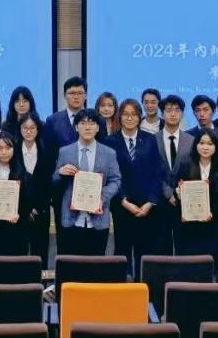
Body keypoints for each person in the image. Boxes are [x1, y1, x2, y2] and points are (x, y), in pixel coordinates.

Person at [105, 99, 164, 280]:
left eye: (133, 115)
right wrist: (123, 201)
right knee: (122, 251)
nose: (129, 118)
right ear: (119, 117)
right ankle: (122, 289)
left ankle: (143, 289)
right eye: (125, 114)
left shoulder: (150, 139)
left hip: (146, 207)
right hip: (122, 206)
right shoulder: (110, 142)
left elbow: (157, 173)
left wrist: (150, 202)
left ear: (140, 117)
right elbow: (109, 175)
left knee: (144, 252)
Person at [53, 109, 121, 256]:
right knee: (70, 265)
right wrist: (60, 172)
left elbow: (116, 180)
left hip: (98, 220)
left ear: (97, 127)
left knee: (95, 266)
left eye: (91, 123)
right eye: (83, 123)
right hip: (71, 219)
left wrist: (101, 198)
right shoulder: (65, 151)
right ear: (76, 127)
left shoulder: (109, 153)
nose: (87, 127)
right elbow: (54, 180)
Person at [173, 128, 218, 275]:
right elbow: (175, 190)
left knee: (209, 265)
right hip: (188, 225)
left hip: (212, 224)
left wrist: (211, 212)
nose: (205, 147)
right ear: (195, 145)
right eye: (201, 143)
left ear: (216, 146)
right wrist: (179, 192)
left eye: (210, 144)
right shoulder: (185, 164)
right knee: (188, 266)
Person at [45, 76, 87, 254]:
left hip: (89, 190)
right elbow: (48, 158)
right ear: (64, 95)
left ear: (85, 95)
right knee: (65, 242)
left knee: (88, 240)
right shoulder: (53, 121)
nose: (76, 96)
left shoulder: (95, 119)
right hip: (62, 190)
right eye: (71, 93)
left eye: (80, 93)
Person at [155, 95, 195, 255]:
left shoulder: (191, 141)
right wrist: (167, 192)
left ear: (182, 114)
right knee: (161, 245)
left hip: (184, 201)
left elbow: (194, 171)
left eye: (177, 110)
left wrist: (179, 193)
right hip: (160, 201)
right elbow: (152, 171)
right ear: (162, 113)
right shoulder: (152, 140)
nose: (173, 114)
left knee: (184, 245)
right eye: (169, 110)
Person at [14, 112, 53, 267]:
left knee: (41, 252)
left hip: (41, 210)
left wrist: (37, 207)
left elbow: (48, 184)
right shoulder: (13, 151)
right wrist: (26, 208)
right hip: (18, 211)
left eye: (32, 128)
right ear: (20, 129)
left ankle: (41, 282)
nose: (29, 131)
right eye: (25, 128)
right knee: (19, 252)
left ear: (38, 129)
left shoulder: (46, 151)